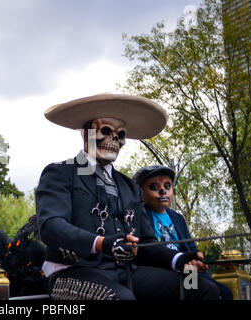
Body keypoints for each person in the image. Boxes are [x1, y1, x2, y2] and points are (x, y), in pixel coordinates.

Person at [36, 93, 219, 300]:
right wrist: (102, 243)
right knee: (122, 299)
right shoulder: (61, 172)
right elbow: (51, 227)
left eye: (120, 134)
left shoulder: (129, 186)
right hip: (72, 274)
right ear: (86, 134)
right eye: (105, 131)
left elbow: (146, 243)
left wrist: (180, 258)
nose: (114, 139)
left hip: (128, 274)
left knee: (199, 287)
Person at [133, 165, 233, 300]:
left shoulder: (178, 218)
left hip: (188, 269)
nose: (163, 191)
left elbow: (191, 248)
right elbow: (144, 252)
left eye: (167, 186)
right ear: (140, 192)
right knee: (205, 290)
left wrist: (197, 260)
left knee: (224, 293)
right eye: (154, 187)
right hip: (161, 270)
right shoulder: (137, 215)